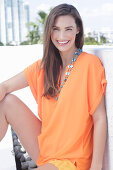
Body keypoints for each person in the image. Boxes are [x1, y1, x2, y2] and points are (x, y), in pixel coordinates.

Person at [0, 3, 107, 170]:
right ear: (49, 31)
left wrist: (97, 166)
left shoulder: (89, 64)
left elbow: (99, 118)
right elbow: (4, 87)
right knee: (6, 102)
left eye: (68, 29)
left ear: (78, 29)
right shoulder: (45, 66)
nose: (61, 35)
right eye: (56, 29)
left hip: (72, 160)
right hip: (47, 148)